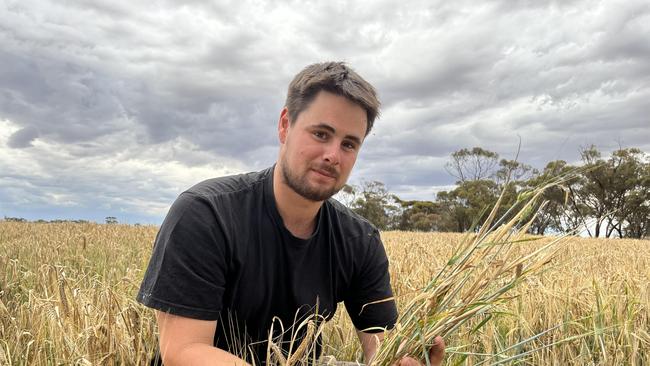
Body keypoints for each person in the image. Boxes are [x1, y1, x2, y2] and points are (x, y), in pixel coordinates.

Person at [137, 62, 445, 366]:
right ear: (285, 125)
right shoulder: (206, 214)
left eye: (349, 144)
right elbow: (184, 350)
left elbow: (380, 346)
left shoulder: (359, 239)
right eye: (321, 134)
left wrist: (404, 360)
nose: (333, 155)